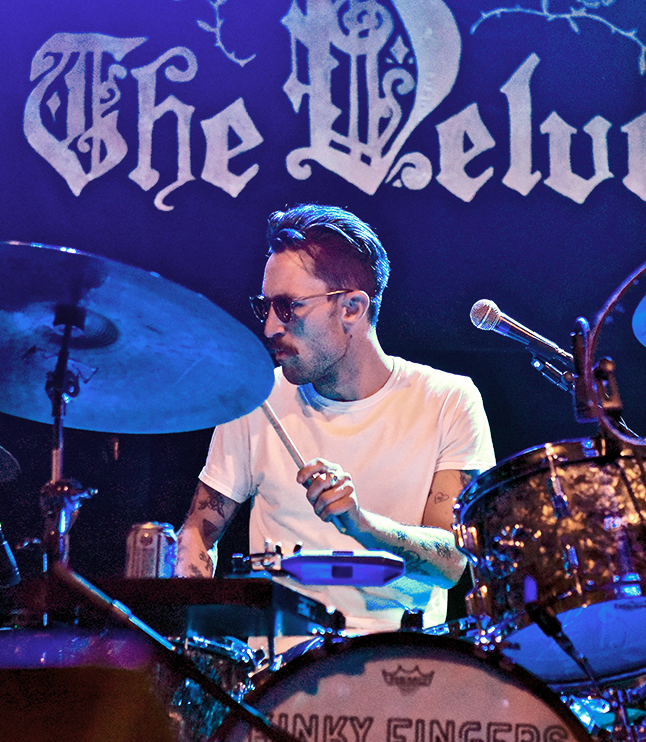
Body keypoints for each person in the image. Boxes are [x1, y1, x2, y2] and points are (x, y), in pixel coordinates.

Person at [175, 204, 495, 634]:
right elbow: (197, 533)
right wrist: (189, 641)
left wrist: (361, 525)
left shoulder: (448, 400)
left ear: (352, 308)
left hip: (403, 661)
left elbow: (453, 561)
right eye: (265, 306)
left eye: (288, 307)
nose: (270, 327)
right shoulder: (259, 399)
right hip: (279, 665)